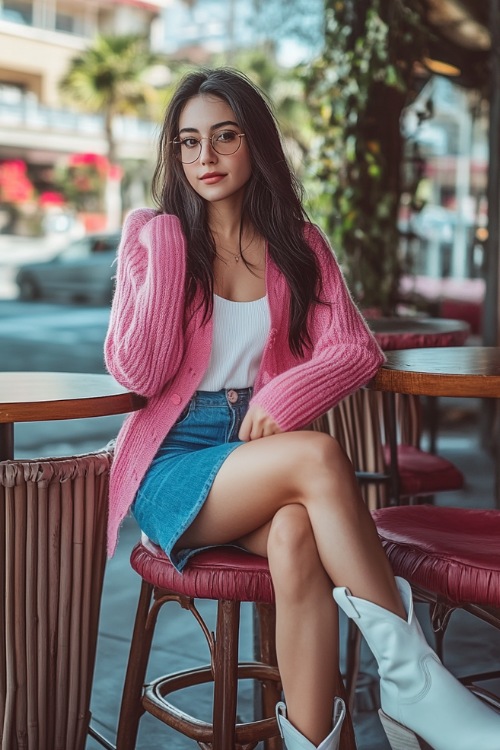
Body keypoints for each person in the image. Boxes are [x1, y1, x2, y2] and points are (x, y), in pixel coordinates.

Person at [104, 68, 500, 750]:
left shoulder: (297, 245)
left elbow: (355, 352)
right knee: (317, 454)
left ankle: (317, 741)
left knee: (296, 538)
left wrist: (286, 394)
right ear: (173, 154)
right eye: (189, 142)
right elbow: (135, 370)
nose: (206, 158)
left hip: (255, 458)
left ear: (255, 144)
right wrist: (167, 248)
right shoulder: (152, 238)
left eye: (225, 137)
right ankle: (417, 685)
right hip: (173, 464)